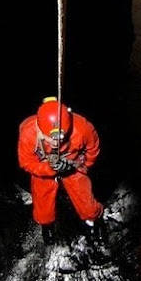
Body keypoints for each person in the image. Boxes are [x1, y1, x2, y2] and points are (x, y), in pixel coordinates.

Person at [17, 97, 103, 244]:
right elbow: (26, 162)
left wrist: (81, 165)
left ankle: (92, 222)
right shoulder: (29, 134)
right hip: (43, 167)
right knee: (43, 201)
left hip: (72, 164)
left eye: (60, 139)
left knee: (86, 202)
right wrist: (48, 169)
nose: (56, 143)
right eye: (51, 140)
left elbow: (92, 149)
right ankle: (47, 225)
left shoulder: (82, 128)